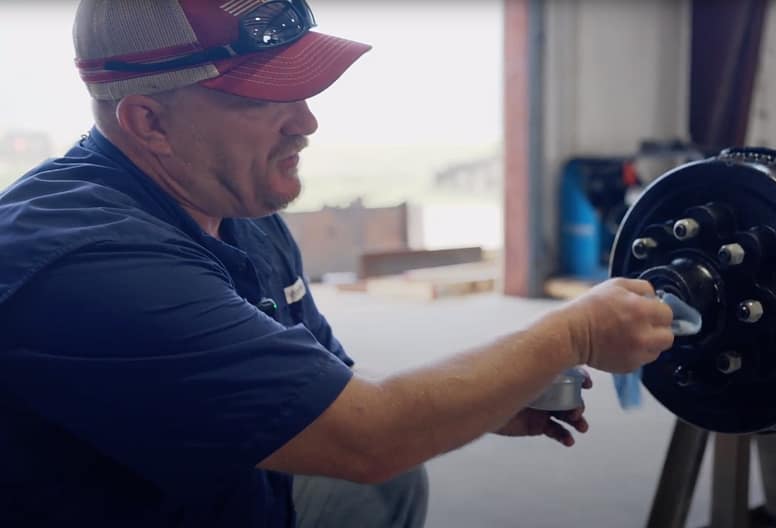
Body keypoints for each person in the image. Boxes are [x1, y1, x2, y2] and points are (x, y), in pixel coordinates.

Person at [0, 1, 675, 527]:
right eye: (266, 97)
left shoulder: (241, 210)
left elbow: (329, 385)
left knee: (386, 484)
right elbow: (366, 435)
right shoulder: (86, 261)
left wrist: (489, 390)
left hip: (217, 500)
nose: (307, 122)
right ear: (149, 123)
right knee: (378, 460)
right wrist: (570, 333)